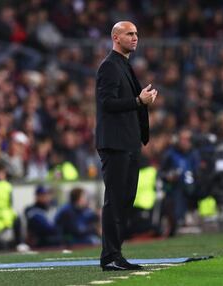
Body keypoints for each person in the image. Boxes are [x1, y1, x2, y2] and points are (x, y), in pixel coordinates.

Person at [95, 21, 157, 271]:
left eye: (137, 34)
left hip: (129, 143)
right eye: (129, 33)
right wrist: (137, 100)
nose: (135, 38)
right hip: (116, 143)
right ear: (115, 37)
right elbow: (107, 103)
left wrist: (141, 101)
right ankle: (110, 256)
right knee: (115, 200)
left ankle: (115, 254)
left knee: (123, 201)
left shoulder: (123, 65)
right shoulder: (110, 65)